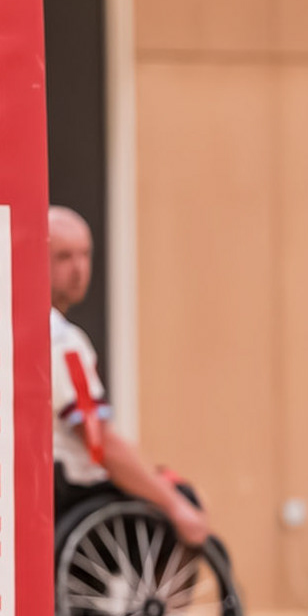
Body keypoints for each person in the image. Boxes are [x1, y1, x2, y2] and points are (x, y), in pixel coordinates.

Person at [48, 206, 210, 546]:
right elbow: (98, 442)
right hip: (72, 492)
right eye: (64, 257)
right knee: (183, 499)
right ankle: (165, 601)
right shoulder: (62, 340)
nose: (79, 270)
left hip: (52, 488)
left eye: (84, 255)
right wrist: (175, 504)